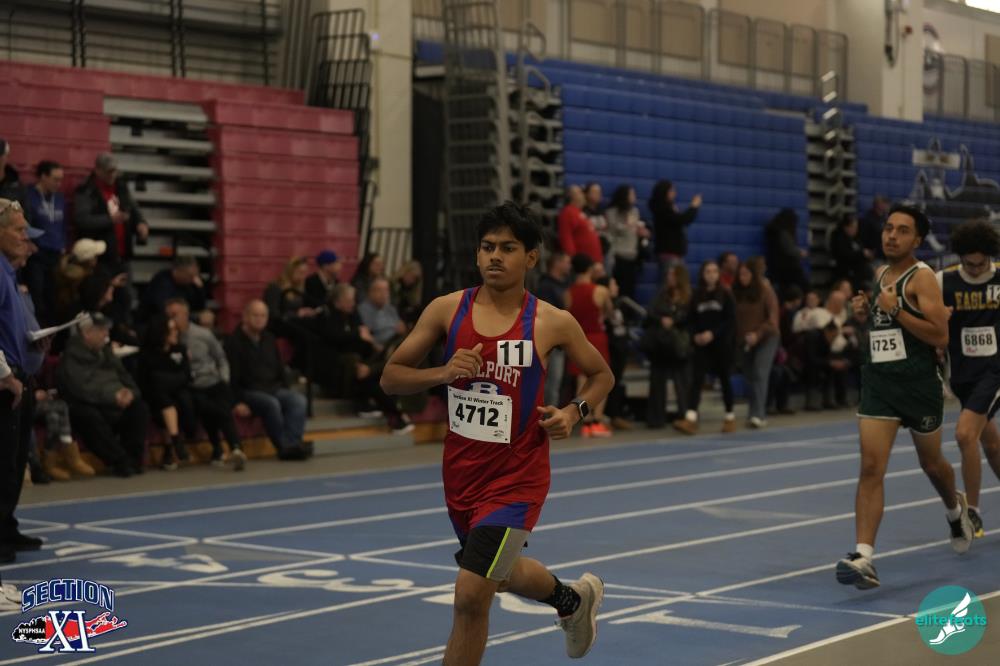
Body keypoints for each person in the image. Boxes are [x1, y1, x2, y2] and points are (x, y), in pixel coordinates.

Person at [380, 201, 614, 665]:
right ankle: (572, 601)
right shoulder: (447, 310)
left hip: (517, 480)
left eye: (508, 248)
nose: (495, 257)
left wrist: (574, 413)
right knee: (498, 575)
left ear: (531, 257)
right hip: (461, 476)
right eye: (487, 247)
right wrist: (443, 373)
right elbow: (391, 377)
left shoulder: (550, 321)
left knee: (470, 595)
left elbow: (601, 375)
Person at [836, 204, 973, 591]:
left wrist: (895, 308)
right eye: (888, 228)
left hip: (917, 387)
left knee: (932, 465)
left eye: (902, 231)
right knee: (870, 467)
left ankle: (954, 509)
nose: (891, 236)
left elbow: (939, 336)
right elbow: (883, 327)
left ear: (917, 240)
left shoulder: (923, 278)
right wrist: (864, 313)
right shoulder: (880, 274)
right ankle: (863, 556)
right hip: (879, 385)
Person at [937, 219, 1000, 538]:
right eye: (969, 264)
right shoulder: (943, 281)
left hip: (995, 371)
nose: (975, 270)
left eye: (981, 264)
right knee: (991, 444)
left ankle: (972, 512)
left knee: (964, 435)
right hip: (962, 374)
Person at [0, 201, 44, 561]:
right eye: (18, 229)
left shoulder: (8, 273)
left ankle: (5, 528)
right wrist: (6, 376)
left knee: (12, 462)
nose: (24, 237)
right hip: (5, 380)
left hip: (16, 375)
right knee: (3, 463)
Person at [58, 313, 150, 477]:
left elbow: (127, 379)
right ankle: (120, 461)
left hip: (116, 402)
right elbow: (81, 389)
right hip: (91, 405)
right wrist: (113, 397)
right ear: (87, 333)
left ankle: (134, 460)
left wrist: (130, 393)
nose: (106, 334)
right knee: (86, 415)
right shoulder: (71, 357)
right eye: (101, 330)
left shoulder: (107, 352)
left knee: (139, 408)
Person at [166, 298, 246, 471]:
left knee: (222, 405)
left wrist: (224, 379)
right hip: (191, 387)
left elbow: (221, 358)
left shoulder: (203, 335)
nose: (171, 319)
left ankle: (235, 449)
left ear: (186, 314)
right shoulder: (168, 338)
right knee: (209, 408)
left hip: (214, 381)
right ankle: (219, 448)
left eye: (175, 315)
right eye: (169, 315)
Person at [225, 300, 310, 461]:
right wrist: (236, 402)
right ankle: (284, 447)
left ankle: (292, 444)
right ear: (245, 317)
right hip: (248, 391)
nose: (259, 319)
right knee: (271, 403)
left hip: (272, 387)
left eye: (263, 315)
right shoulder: (233, 342)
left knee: (298, 400)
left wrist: (286, 388)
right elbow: (230, 377)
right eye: (255, 315)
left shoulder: (270, 338)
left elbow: (279, 368)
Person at [675, 260, 737, 434]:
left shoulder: (725, 294)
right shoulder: (696, 295)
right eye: (708, 271)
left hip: (721, 344)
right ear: (703, 274)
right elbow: (690, 320)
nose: (711, 274)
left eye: (714, 271)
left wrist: (713, 334)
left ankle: (730, 416)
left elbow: (730, 320)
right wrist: (695, 335)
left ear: (718, 274)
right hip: (701, 344)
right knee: (697, 379)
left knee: (724, 379)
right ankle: (691, 418)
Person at [139, 314, 197, 470]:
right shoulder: (147, 354)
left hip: (178, 394)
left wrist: (166, 381)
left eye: (176, 329)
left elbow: (186, 375)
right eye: (171, 330)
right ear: (161, 332)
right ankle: (174, 445)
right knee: (162, 400)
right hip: (155, 398)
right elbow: (147, 382)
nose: (176, 332)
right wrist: (170, 380)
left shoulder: (180, 349)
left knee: (168, 400)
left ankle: (170, 449)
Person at [565, 253, 614, 437]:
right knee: (602, 377)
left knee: (581, 379)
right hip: (596, 336)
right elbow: (609, 312)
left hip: (578, 338)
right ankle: (597, 420)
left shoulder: (567, 293)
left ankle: (584, 420)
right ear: (590, 269)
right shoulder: (600, 290)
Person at [73, 153, 148, 269]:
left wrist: (141, 223)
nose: (112, 175)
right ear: (98, 171)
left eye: (115, 171)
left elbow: (133, 208)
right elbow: (82, 220)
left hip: (123, 254)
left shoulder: (121, 186)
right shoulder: (86, 190)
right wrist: (110, 220)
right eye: (109, 172)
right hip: (100, 257)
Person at [732, 258, 780, 428]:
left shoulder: (765, 290)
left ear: (753, 275)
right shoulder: (736, 292)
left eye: (746, 274)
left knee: (760, 373)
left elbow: (773, 319)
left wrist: (757, 334)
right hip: (745, 340)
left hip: (767, 337)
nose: (743, 278)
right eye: (740, 274)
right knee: (749, 377)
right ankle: (752, 412)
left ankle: (759, 414)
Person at [643, 265, 691, 430]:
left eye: (673, 274)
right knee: (657, 381)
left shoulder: (688, 297)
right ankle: (656, 418)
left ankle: (686, 415)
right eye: (669, 274)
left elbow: (690, 317)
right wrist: (662, 320)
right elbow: (650, 314)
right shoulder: (661, 295)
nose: (669, 277)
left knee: (682, 382)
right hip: (661, 344)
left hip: (678, 343)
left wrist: (675, 321)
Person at [22, 160, 66, 323]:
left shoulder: (59, 198)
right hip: (37, 255)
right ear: (43, 176)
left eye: (61, 180)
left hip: (55, 254)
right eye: (55, 179)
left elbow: (63, 224)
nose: (59, 184)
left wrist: (63, 244)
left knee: (54, 299)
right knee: (37, 297)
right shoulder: (29, 195)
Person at [536, 251, 571, 408]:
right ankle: (546, 416)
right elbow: (547, 316)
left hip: (560, 341)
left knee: (555, 383)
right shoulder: (546, 287)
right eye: (566, 262)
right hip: (550, 342)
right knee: (550, 382)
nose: (569, 266)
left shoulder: (562, 286)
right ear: (557, 263)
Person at [606, 184, 650, 300]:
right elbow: (613, 229)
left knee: (629, 290)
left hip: (632, 256)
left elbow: (635, 229)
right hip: (618, 256)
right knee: (617, 289)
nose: (634, 197)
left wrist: (642, 232)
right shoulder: (612, 212)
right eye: (632, 194)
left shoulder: (634, 211)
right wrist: (628, 226)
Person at [649, 179, 701, 271]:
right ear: (665, 192)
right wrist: (694, 206)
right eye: (672, 190)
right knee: (672, 278)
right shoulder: (663, 209)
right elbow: (683, 220)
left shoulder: (666, 208)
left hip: (673, 253)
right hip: (669, 254)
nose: (674, 193)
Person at [141, 256, 206, 320]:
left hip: (183, 320)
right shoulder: (162, 282)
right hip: (155, 320)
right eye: (190, 275)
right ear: (177, 271)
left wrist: (200, 289)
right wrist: (194, 317)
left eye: (196, 275)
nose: (194, 279)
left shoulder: (190, 283)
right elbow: (166, 311)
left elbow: (199, 308)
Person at [764, 208, 808, 295]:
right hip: (788, 267)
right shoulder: (784, 233)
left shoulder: (773, 231)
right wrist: (801, 253)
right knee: (804, 286)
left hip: (775, 267)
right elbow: (789, 249)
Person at [557, 185, 603, 265]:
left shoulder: (579, 212)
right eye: (580, 192)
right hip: (582, 264)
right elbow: (566, 237)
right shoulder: (567, 212)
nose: (584, 195)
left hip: (593, 261)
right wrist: (574, 259)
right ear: (572, 196)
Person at [830, 215, 873, 291]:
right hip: (845, 271)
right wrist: (862, 254)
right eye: (853, 227)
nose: (855, 230)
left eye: (856, 227)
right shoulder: (838, 238)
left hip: (859, 272)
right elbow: (845, 255)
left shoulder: (855, 238)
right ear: (846, 227)